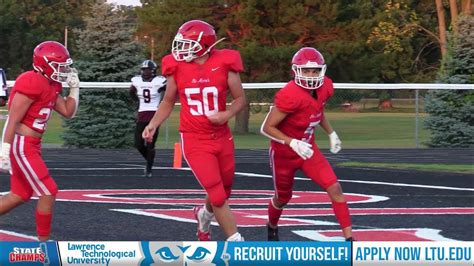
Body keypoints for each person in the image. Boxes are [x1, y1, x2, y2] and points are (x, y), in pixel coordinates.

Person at [142, 20, 246, 241]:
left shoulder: (224, 62)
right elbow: (168, 101)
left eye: (186, 43)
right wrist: (153, 124)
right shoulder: (176, 66)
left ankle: (204, 215)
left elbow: (240, 99)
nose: (180, 48)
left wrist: (226, 115)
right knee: (217, 195)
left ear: (204, 44)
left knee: (224, 192)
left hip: (222, 137)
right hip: (194, 138)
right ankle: (236, 242)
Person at [260, 47, 354, 241]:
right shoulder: (290, 94)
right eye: (306, 71)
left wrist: (331, 132)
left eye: (315, 71)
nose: (311, 75)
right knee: (282, 199)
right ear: (296, 71)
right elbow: (266, 127)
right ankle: (272, 226)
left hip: (309, 151)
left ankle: (349, 239)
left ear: (322, 70)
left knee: (334, 187)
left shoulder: (325, 87)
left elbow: (316, 111)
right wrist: (291, 142)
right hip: (284, 155)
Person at [0, 41, 80, 241]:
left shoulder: (51, 84)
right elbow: (12, 119)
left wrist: (75, 88)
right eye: (60, 66)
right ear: (44, 64)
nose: (65, 70)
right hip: (22, 144)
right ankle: (44, 245)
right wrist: (4, 149)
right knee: (49, 190)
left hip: (32, 145)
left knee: (20, 194)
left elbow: (68, 112)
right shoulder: (32, 81)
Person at [129, 60, 166, 178]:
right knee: (138, 144)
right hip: (142, 114)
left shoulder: (159, 81)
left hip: (154, 115)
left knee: (150, 144)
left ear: (153, 71)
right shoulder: (137, 81)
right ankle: (150, 161)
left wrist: (163, 103)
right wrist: (137, 103)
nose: (145, 72)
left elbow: (169, 91)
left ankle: (149, 169)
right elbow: (131, 92)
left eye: (148, 70)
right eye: (144, 69)